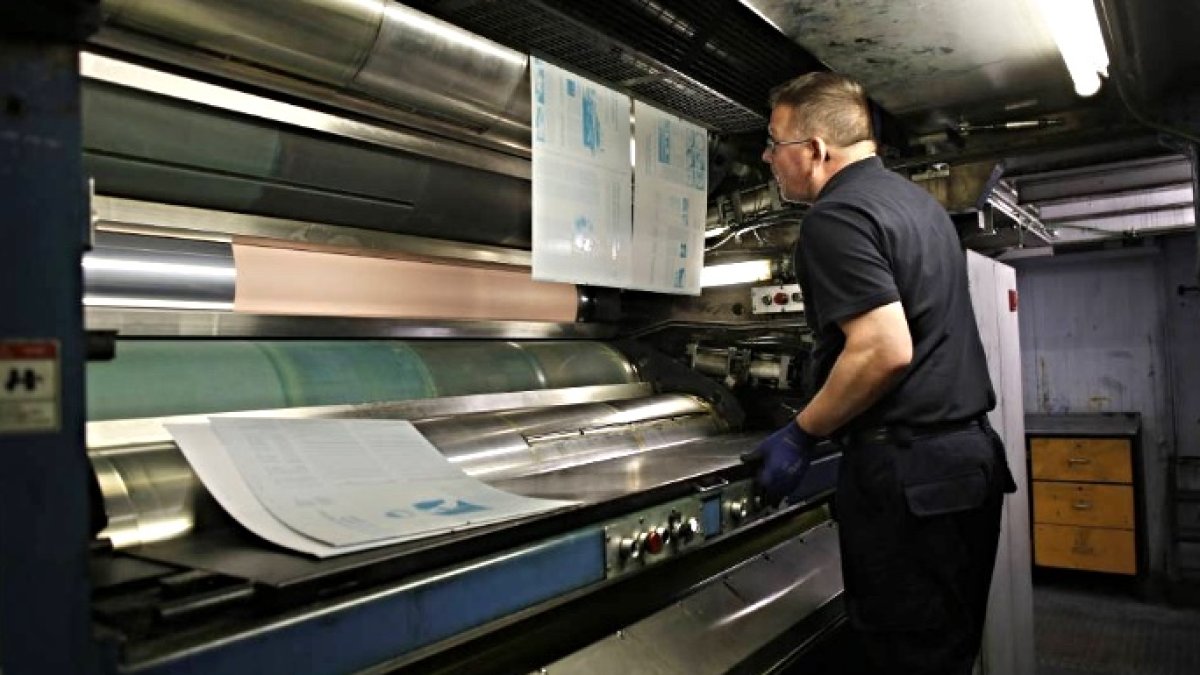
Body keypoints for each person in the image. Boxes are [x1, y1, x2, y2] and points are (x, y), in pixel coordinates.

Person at [743, 72, 1017, 675]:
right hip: (964, 466)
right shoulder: (919, 205)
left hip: (908, 475)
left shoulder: (835, 217)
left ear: (816, 150)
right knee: (943, 654)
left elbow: (883, 349)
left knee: (902, 658)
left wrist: (802, 433)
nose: (767, 157)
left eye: (774, 142)